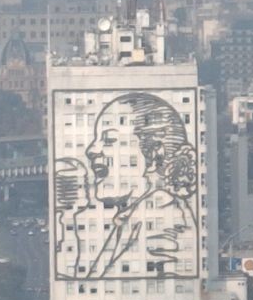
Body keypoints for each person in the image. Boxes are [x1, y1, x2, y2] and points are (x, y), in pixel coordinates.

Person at [53, 92, 197, 279]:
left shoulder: (165, 225)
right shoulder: (132, 215)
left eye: (109, 140)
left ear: (155, 154)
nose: (91, 151)